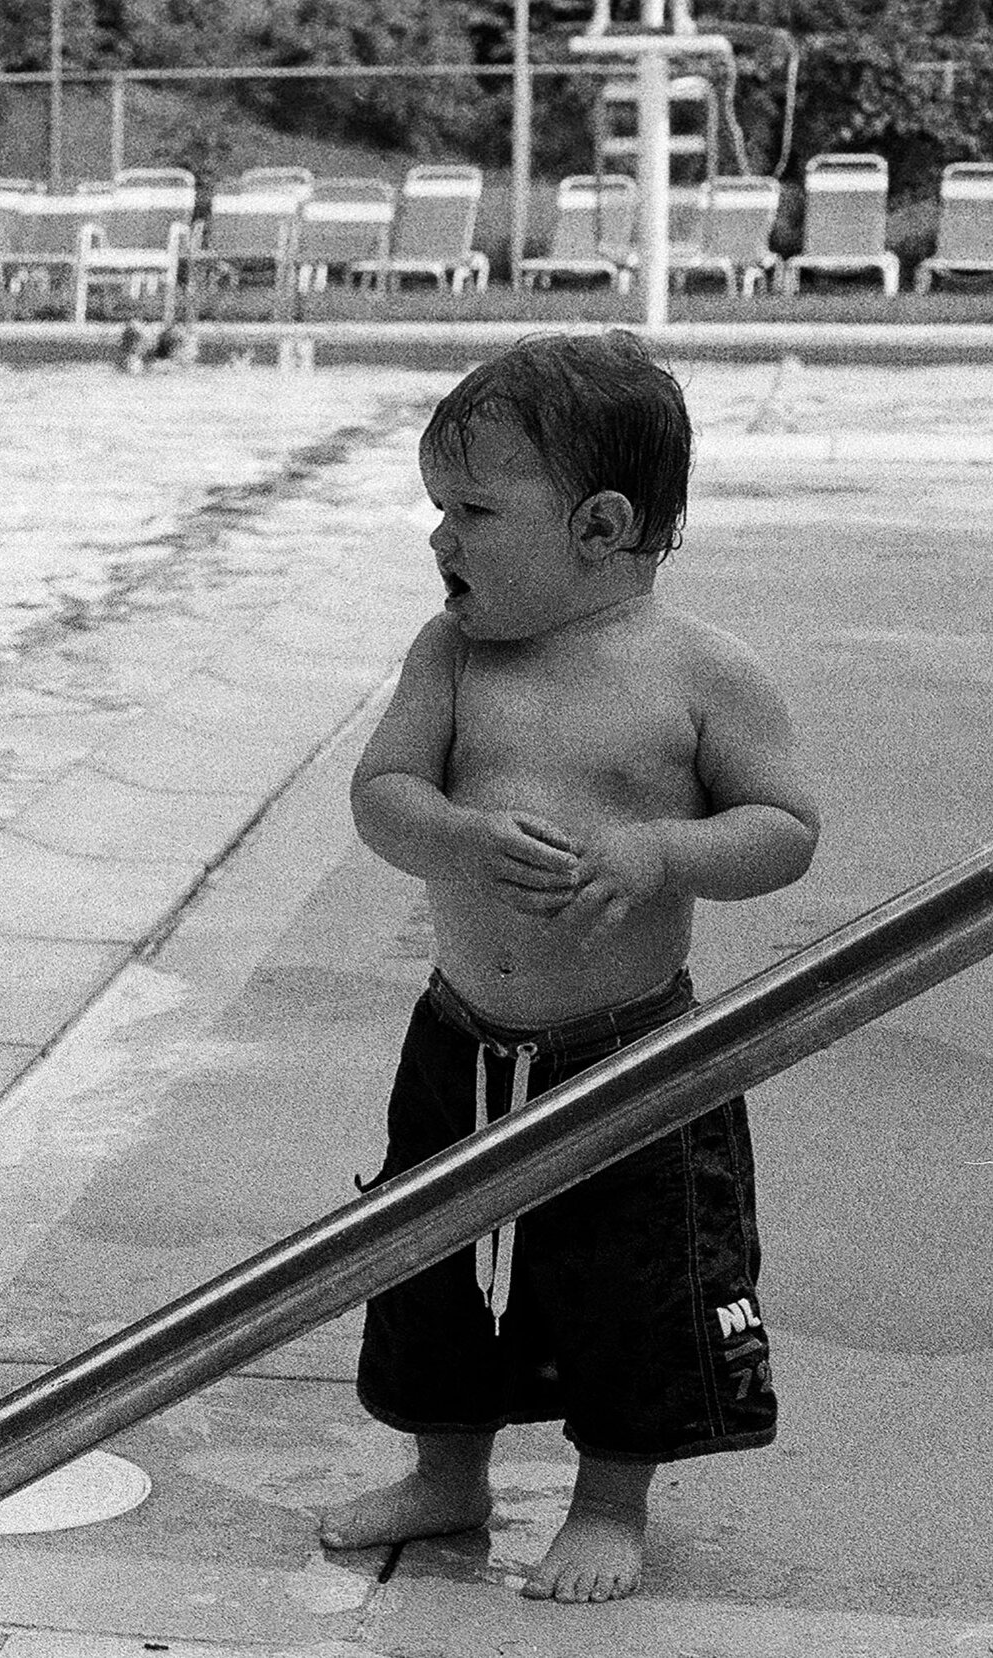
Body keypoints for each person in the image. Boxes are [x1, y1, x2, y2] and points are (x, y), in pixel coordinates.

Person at [319, 332, 819, 1602]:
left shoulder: (701, 672)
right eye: (438, 507)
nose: (440, 538)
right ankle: (446, 1471)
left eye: (474, 511)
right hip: (462, 1039)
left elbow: (782, 829)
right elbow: (380, 795)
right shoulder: (449, 656)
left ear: (600, 527)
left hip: (628, 1054)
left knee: (632, 1284)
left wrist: (660, 851)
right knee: (428, 1265)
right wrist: (454, 834)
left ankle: (607, 1503)